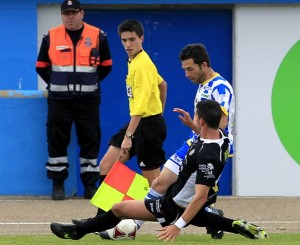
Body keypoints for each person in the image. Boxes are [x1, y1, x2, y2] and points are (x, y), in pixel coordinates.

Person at [50, 100, 268, 241]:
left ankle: (77, 232)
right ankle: (235, 226)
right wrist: (193, 126)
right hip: (179, 198)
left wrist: (177, 227)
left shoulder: (207, 154)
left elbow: (200, 196)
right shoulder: (221, 138)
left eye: (196, 117)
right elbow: (207, 135)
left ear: (202, 121)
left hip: (174, 205)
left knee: (119, 208)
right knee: (201, 217)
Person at [98, 43, 235, 239]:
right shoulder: (204, 85)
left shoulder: (220, 87)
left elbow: (220, 125)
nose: (187, 74)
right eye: (184, 70)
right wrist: (193, 126)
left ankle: (213, 218)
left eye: (190, 69)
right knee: (159, 183)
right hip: (193, 145)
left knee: (186, 201)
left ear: (204, 65)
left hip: (210, 149)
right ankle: (132, 227)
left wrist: (193, 126)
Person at [35, 0, 112, 200]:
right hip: (59, 100)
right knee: (57, 139)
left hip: (88, 100)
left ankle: (90, 185)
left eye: (74, 13)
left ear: (82, 13)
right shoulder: (51, 37)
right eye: (66, 13)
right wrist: (56, 84)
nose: (70, 17)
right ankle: (58, 184)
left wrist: (90, 83)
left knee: (90, 140)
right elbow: (41, 66)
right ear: (62, 16)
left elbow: (106, 65)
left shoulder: (98, 36)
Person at [96, 19, 167, 204]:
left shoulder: (141, 65)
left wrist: (129, 135)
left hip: (147, 126)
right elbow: (163, 85)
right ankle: (104, 219)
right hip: (141, 123)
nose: (128, 44)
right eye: (124, 40)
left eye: (132, 39)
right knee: (106, 165)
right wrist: (159, 112)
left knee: (155, 186)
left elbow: (140, 107)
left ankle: (178, 218)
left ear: (141, 38)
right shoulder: (134, 60)